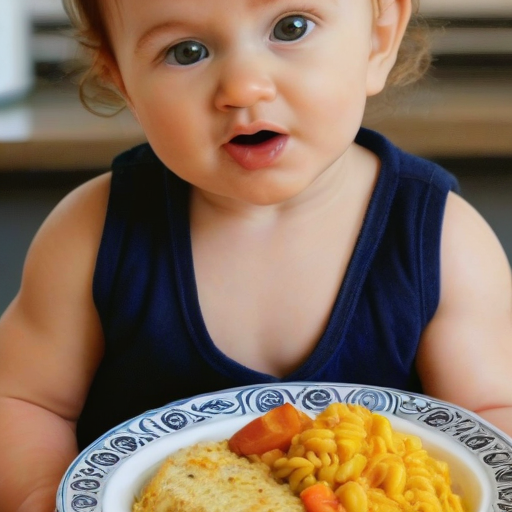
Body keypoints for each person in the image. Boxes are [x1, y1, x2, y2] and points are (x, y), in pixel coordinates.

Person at [0, 0, 511, 510]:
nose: (243, 87)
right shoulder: (89, 235)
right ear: (124, 84)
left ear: (379, 37)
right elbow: (22, 401)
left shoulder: (445, 241)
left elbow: (493, 418)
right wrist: (40, 493)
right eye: (187, 51)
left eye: (291, 28)